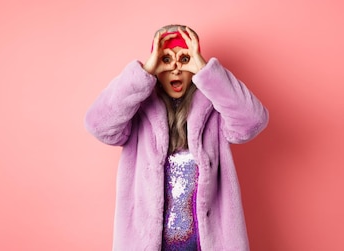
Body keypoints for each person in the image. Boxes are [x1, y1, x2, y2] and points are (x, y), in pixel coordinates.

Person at [84, 24, 268, 250]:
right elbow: (99, 125)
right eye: (166, 59)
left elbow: (253, 121)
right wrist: (145, 71)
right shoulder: (138, 110)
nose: (175, 68)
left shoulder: (215, 109)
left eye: (184, 58)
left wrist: (205, 71)